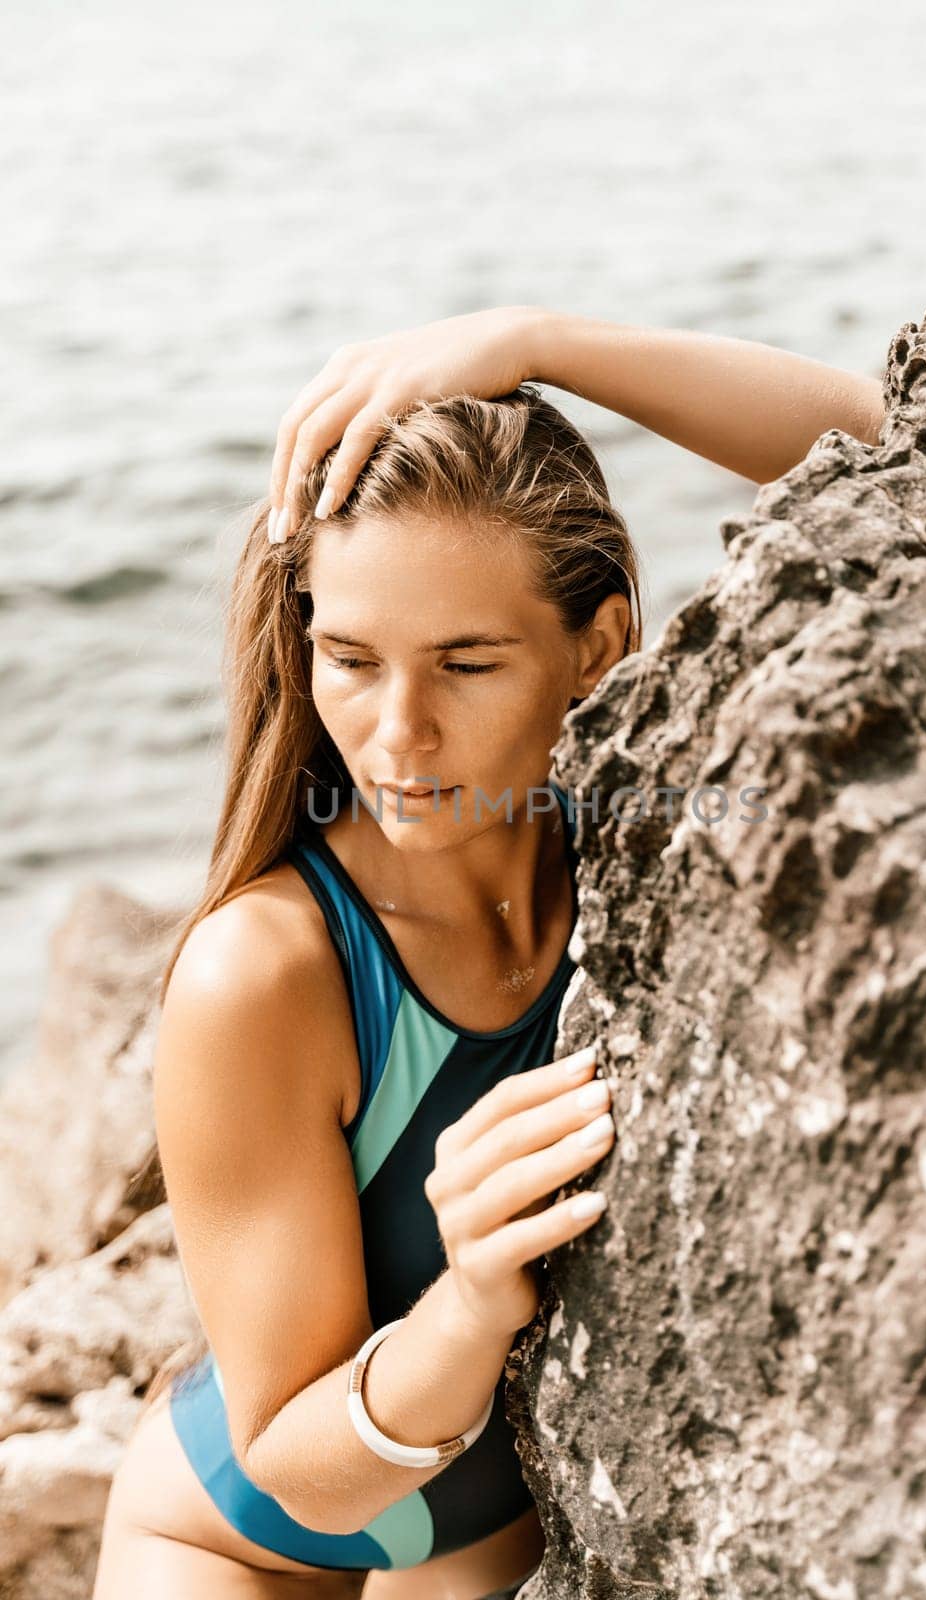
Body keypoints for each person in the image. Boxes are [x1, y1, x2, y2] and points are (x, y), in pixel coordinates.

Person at [91, 307, 885, 1600]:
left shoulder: (641, 834)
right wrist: (468, 1300)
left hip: (475, 1546)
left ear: (599, 649)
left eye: (466, 663)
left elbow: (922, 454)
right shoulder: (268, 976)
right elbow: (296, 1461)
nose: (397, 735)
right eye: (348, 659)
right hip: (238, 1543)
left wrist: (543, 342)